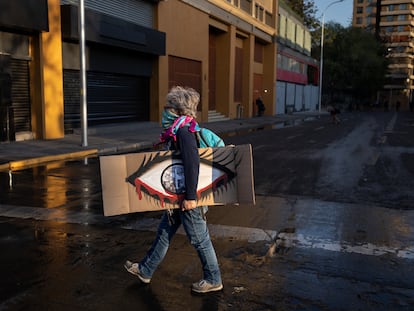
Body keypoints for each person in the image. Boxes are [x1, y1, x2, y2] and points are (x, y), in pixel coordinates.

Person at [124, 86, 223, 294]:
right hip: (176, 196)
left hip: (187, 198)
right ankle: (145, 270)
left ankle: (213, 278)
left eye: (167, 107)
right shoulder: (177, 130)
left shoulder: (185, 131)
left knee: (199, 238)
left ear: (177, 110)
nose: (164, 111)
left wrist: (190, 197)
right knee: (164, 232)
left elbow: (191, 163)